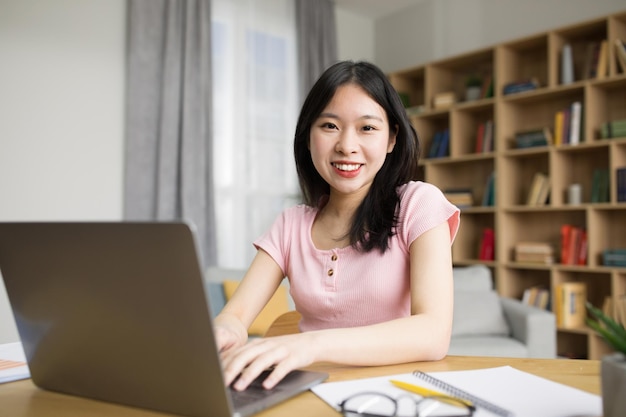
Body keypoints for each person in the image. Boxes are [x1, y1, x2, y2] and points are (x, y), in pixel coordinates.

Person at [214, 60, 460, 391]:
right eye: (329, 126)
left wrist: (311, 345)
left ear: (391, 139)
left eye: (367, 128)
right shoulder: (290, 225)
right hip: (309, 392)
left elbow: (433, 333)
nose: (346, 145)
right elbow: (236, 314)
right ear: (308, 136)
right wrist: (226, 330)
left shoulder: (419, 204)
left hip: (395, 394)